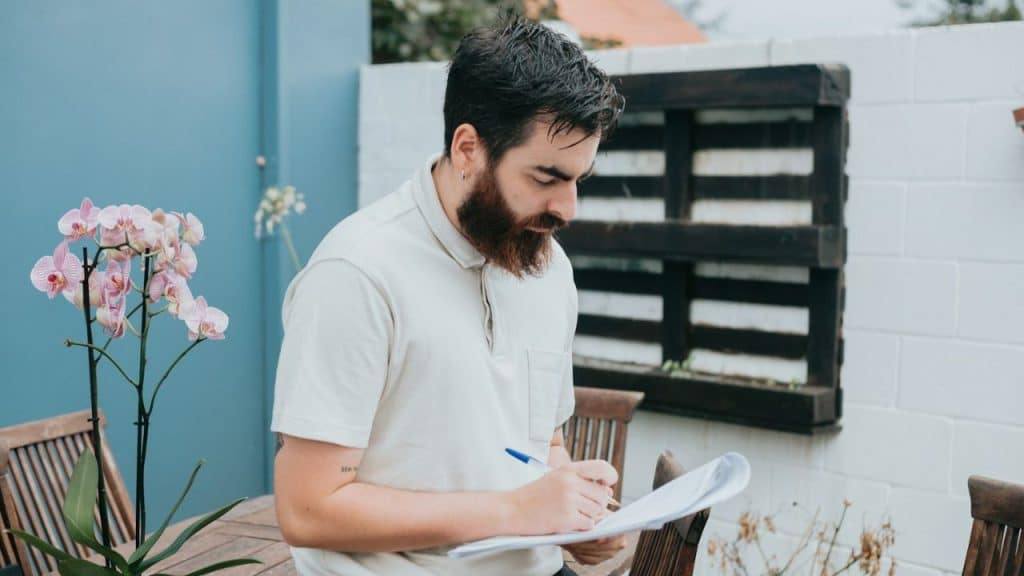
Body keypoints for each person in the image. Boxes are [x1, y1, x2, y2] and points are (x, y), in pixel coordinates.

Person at [271, 13, 626, 576]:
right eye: (546, 178)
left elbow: (541, 443)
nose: (567, 210)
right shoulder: (357, 271)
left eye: (578, 180)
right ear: (468, 148)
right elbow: (309, 509)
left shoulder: (548, 266)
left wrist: (575, 513)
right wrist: (513, 510)